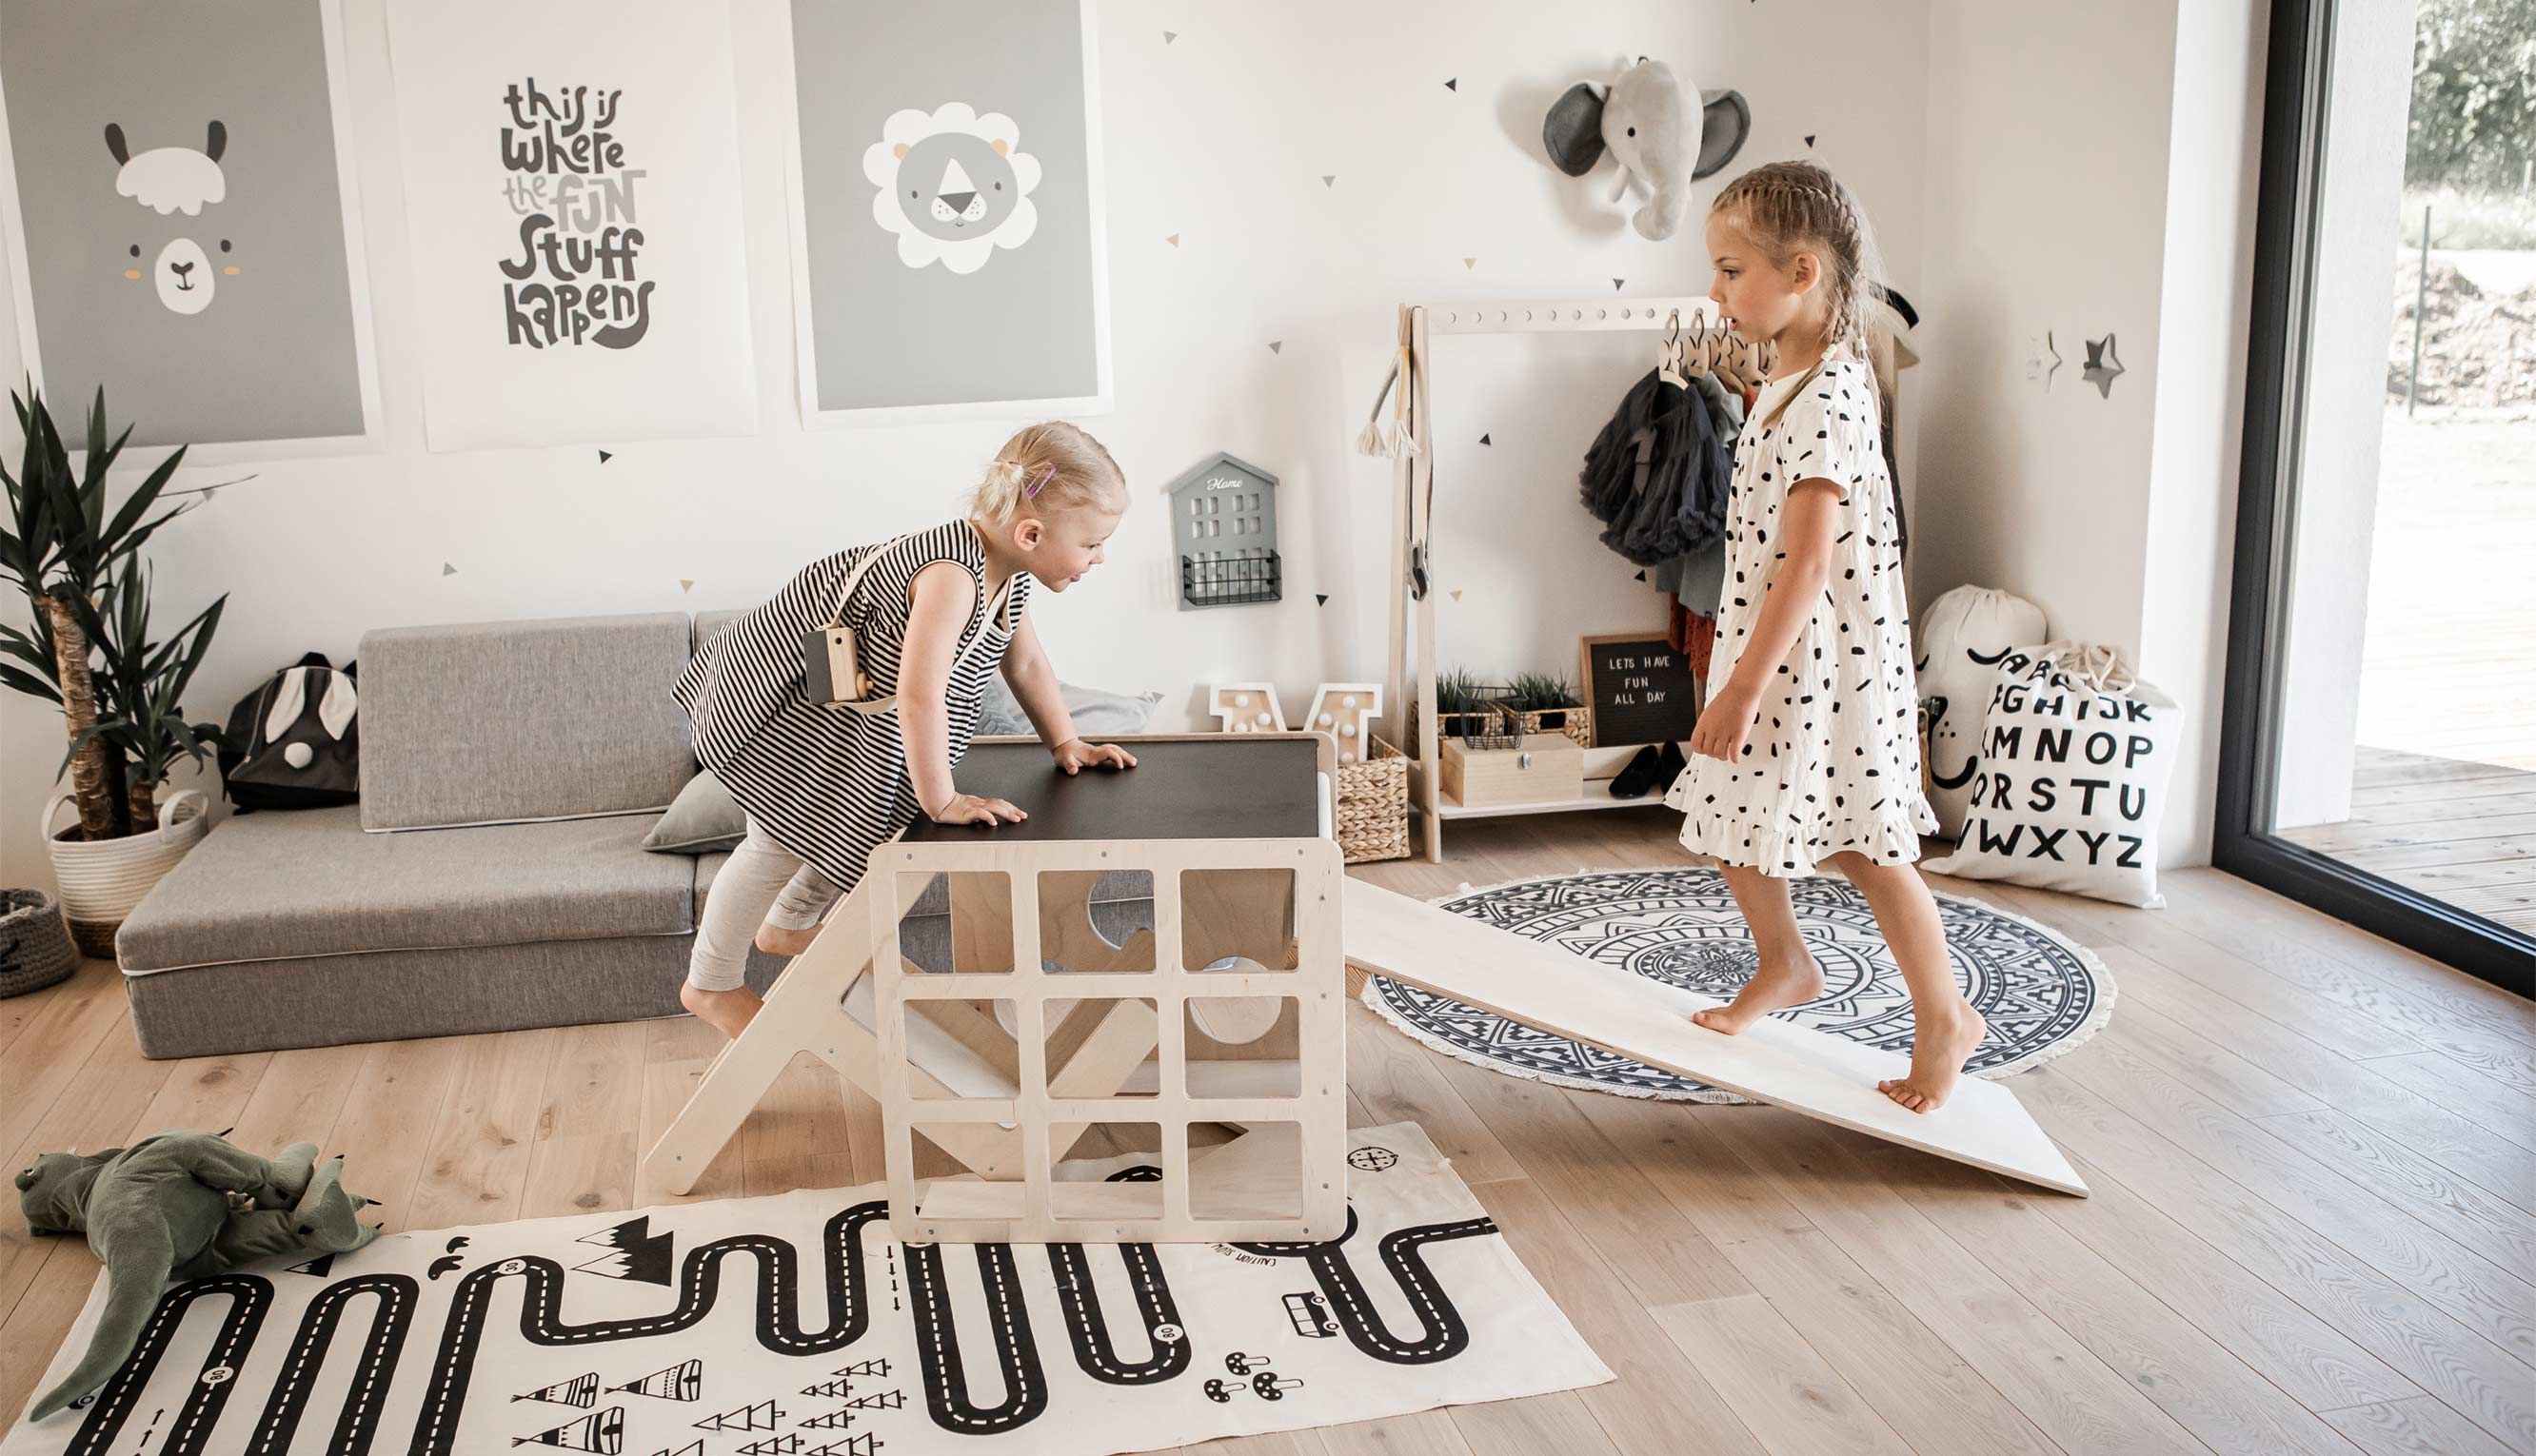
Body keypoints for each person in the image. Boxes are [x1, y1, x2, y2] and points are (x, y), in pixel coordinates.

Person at [1667, 162, 1985, 1112]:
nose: (1716, 292)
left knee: (1864, 843)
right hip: (1772, 648)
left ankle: (1945, 1016)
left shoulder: (1837, 395)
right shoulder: (1785, 379)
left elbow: (1808, 562)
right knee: (1728, 803)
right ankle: (1786, 962)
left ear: (1800, 272)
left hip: (1820, 665)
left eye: (1730, 270)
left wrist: (1740, 686)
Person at [673, 422, 1137, 1037]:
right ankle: (710, 983)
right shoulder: (952, 577)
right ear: (1031, 533)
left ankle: (788, 923)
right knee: (775, 840)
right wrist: (941, 799)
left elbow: (1024, 663)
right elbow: (921, 695)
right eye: (1093, 544)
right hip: (786, 706)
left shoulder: (1011, 577)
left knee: (871, 813)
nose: (1098, 558)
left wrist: (1065, 741)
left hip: (846, 715)